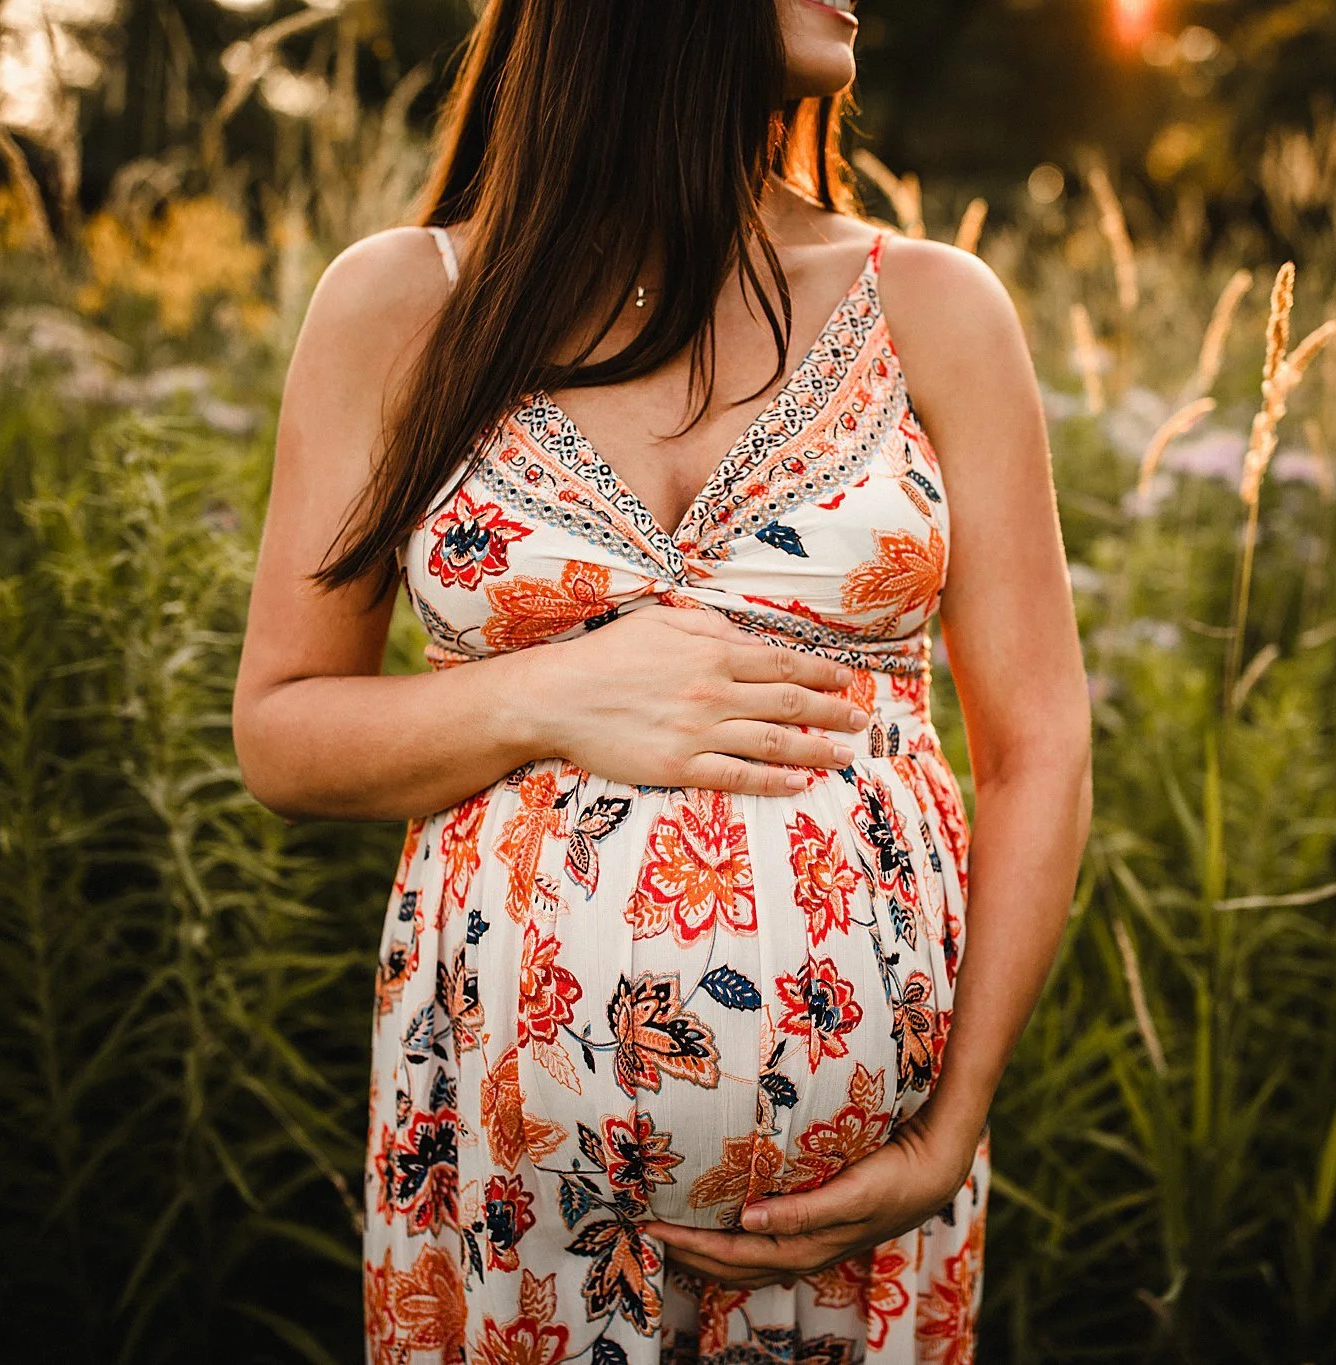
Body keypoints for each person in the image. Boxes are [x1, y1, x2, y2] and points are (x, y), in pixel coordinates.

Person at [232, 1, 1091, 1359]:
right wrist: (544, 698)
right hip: (511, 1184)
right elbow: (282, 733)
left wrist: (952, 1124)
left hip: (859, 1219)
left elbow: (1037, 745)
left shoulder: (931, 306)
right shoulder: (405, 305)